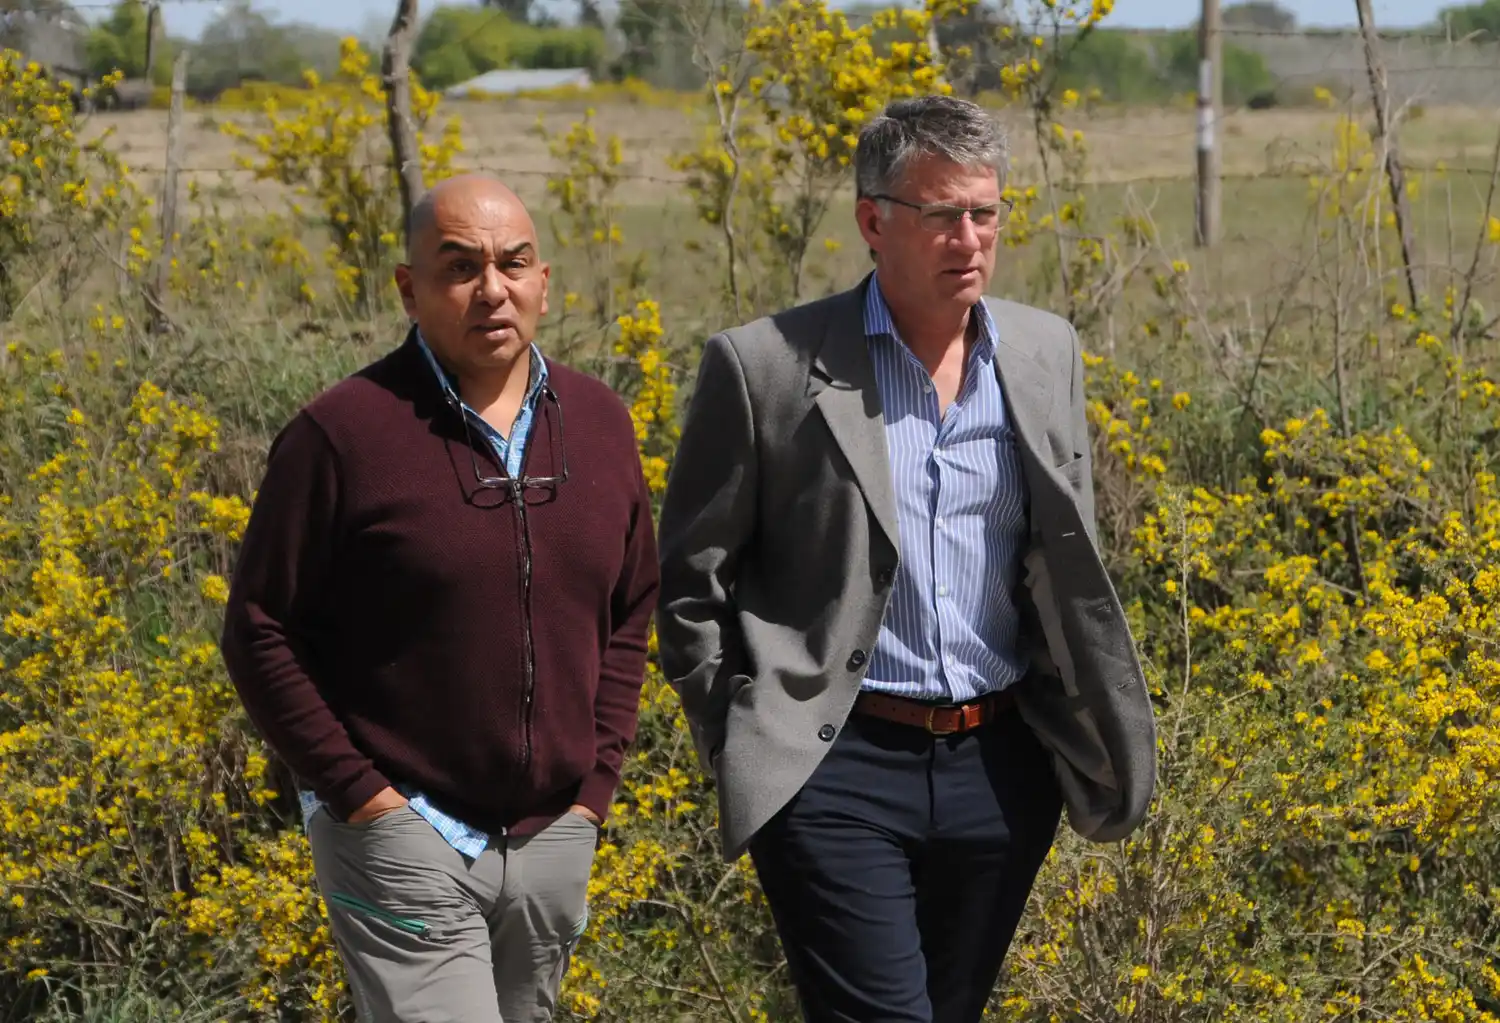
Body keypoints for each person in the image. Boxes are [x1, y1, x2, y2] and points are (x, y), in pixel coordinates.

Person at [655, 95, 1157, 1023]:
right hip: (833, 764)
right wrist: (740, 732)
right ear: (873, 221)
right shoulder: (764, 365)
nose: (968, 238)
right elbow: (691, 582)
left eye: (985, 212)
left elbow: (1061, 559)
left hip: (1000, 763)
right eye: (939, 215)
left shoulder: (1045, 351)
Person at [220, 173, 660, 1023]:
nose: (491, 289)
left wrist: (591, 791)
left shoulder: (601, 421)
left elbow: (632, 604)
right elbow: (259, 627)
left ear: (543, 280)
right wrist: (361, 796)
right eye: (459, 267)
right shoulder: (342, 434)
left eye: (512, 263)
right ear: (408, 289)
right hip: (404, 830)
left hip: (552, 836)